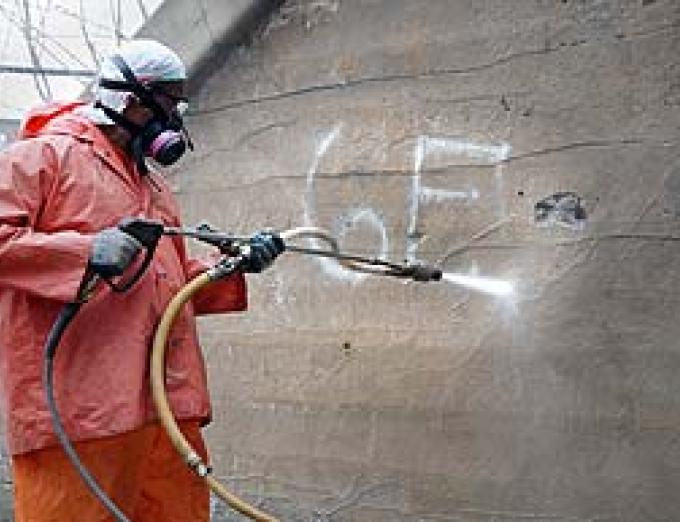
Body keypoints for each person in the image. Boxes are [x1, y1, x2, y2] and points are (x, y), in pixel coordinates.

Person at [0, 39, 284, 521]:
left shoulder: (151, 183)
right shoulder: (41, 157)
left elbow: (166, 286)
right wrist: (87, 251)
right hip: (83, 410)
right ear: (130, 99)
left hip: (164, 410)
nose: (175, 118)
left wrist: (230, 267)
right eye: (170, 103)